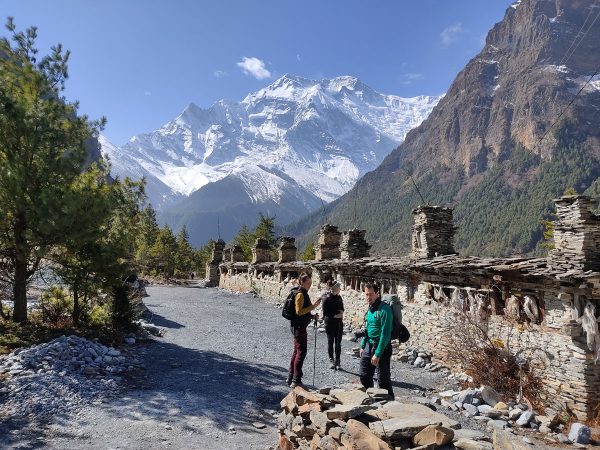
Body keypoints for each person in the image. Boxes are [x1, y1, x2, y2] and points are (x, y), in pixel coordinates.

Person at [359, 282, 394, 399]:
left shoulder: (385, 310)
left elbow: (385, 334)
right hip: (369, 345)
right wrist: (363, 345)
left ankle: (390, 404)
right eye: (366, 294)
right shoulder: (370, 308)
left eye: (371, 294)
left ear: (377, 294)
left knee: (383, 380)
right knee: (364, 375)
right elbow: (368, 328)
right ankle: (372, 397)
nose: (368, 297)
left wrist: (377, 354)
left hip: (382, 346)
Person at [287, 273, 321, 388]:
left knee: (296, 351)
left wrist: (312, 316)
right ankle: (296, 380)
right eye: (308, 283)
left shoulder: (302, 293)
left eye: (311, 283)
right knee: (301, 352)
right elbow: (299, 312)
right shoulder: (300, 295)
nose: (310, 285)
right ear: (302, 282)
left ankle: (291, 377)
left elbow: (302, 313)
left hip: (298, 326)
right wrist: (313, 306)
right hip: (299, 327)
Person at [322, 280, 344, 370]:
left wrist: (341, 312)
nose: (340, 289)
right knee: (330, 341)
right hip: (330, 323)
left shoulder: (339, 298)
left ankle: (338, 361)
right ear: (335, 288)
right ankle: (331, 360)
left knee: (338, 343)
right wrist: (335, 315)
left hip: (339, 323)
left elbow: (342, 308)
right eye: (339, 287)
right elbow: (325, 313)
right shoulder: (326, 298)